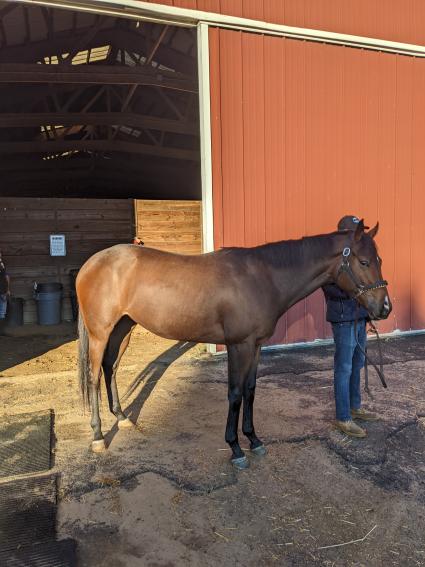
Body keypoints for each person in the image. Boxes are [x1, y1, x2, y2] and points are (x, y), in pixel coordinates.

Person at [322, 216, 378, 438]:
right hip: (344, 319)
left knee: (358, 362)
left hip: (359, 318)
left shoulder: (354, 259)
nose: (360, 235)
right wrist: (354, 292)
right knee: (344, 367)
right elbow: (330, 290)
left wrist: (367, 314)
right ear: (345, 233)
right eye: (356, 231)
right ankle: (343, 417)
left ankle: (356, 407)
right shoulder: (333, 260)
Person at [0, 250, 10, 320]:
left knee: (2, 312)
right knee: (2, 312)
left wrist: (8, 289)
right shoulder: (2, 265)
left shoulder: (2, 265)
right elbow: (7, 278)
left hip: (3, 290)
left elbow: (7, 278)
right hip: (3, 290)